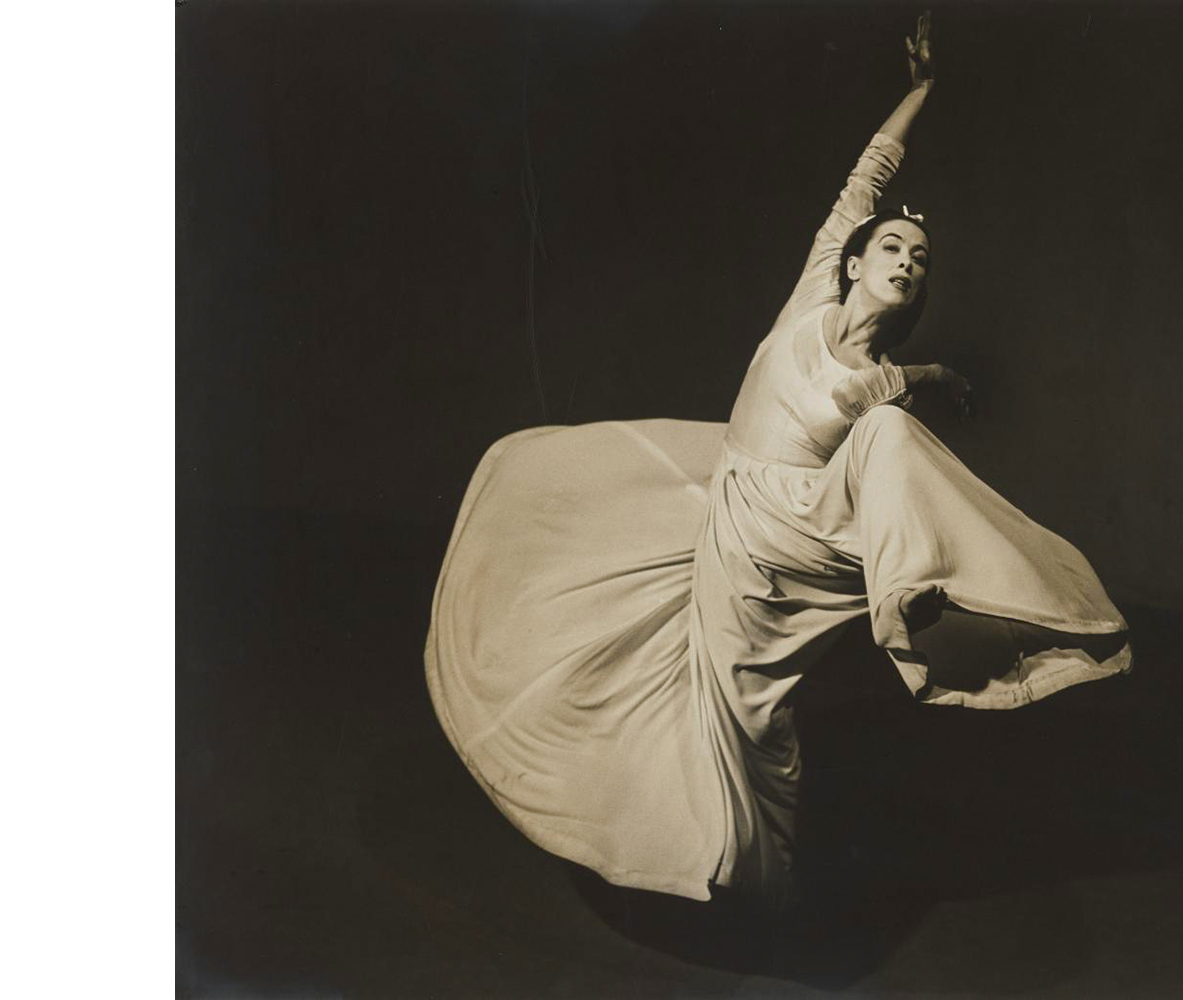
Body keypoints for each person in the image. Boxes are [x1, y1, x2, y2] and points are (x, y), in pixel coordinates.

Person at [424, 12, 1131, 911]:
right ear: (852, 262)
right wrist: (922, 92)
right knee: (746, 719)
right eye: (892, 247)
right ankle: (745, 879)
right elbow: (865, 177)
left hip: (798, 530)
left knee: (885, 440)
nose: (907, 261)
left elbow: (881, 401)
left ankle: (969, 601)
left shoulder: (882, 387)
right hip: (734, 532)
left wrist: (925, 377)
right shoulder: (810, 300)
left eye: (919, 258)